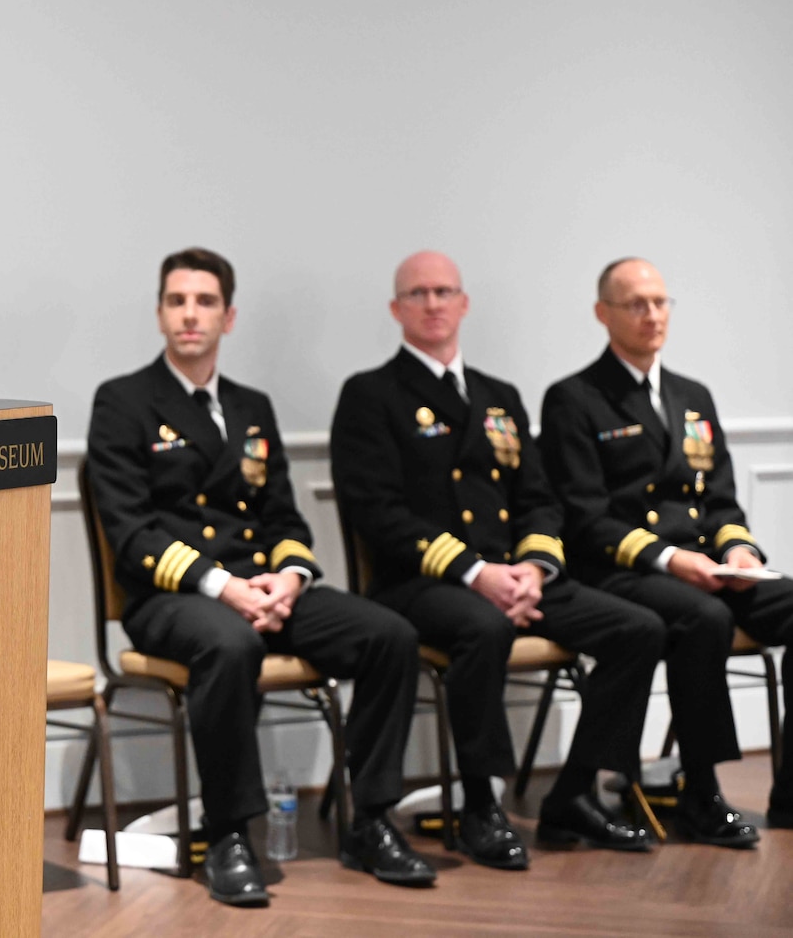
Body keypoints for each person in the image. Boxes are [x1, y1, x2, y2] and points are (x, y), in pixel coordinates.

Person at [87, 248, 433, 906]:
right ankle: (228, 835)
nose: (191, 314)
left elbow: (284, 515)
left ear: (229, 316)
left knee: (390, 634)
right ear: (160, 313)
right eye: (178, 300)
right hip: (173, 598)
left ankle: (372, 818)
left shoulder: (252, 406)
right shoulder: (125, 401)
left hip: (264, 589)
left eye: (206, 301)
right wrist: (226, 588)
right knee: (230, 642)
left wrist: (291, 579)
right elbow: (131, 535)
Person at [329, 251, 665, 872]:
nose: (434, 304)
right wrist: (475, 574)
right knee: (482, 626)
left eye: (445, 291)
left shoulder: (499, 396)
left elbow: (538, 500)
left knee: (637, 629)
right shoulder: (370, 395)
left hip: (513, 576)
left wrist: (534, 569)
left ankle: (573, 794)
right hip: (420, 583)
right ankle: (483, 804)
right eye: (419, 293)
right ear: (396, 309)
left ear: (464, 303)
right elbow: (379, 515)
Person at [539, 257, 793, 844]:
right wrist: (673, 560)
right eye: (635, 304)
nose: (652, 315)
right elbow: (584, 516)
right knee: (703, 618)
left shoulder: (691, 395)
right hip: (622, 569)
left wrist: (741, 555)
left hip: (710, 563)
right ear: (603, 314)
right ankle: (699, 793)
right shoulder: (573, 399)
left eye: (660, 302)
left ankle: (792, 793)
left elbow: (723, 502)